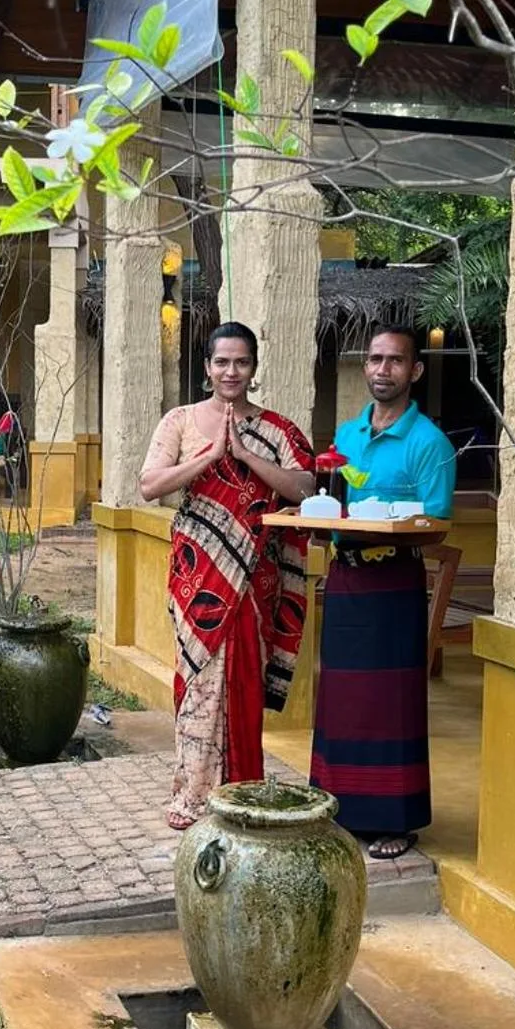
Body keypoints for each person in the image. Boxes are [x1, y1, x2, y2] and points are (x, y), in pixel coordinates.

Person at [140, 321, 315, 830]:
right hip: (198, 579)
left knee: (241, 683)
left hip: (255, 583)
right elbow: (149, 485)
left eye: (241, 362)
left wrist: (245, 455)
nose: (231, 371)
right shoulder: (180, 421)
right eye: (222, 362)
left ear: (253, 369)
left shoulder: (278, 430)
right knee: (197, 680)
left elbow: (306, 488)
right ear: (207, 367)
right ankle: (193, 792)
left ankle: (241, 789)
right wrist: (210, 457)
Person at [310, 323, 457, 861]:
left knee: (391, 704)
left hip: (395, 581)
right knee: (342, 699)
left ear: (414, 371)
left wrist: (390, 520)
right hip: (347, 578)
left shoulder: (430, 444)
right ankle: (337, 806)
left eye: (395, 361)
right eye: (375, 359)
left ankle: (395, 819)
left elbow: (437, 522)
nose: (382, 370)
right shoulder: (346, 437)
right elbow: (331, 499)